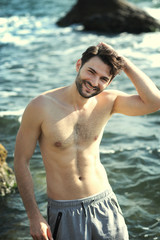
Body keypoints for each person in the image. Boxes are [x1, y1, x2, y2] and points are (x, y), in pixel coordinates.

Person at [14, 42, 160, 240]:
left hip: (105, 204)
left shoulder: (108, 102)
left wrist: (124, 63)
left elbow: (154, 102)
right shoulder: (41, 106)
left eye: (103, 79)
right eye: (90, 71)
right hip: (65, 212)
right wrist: (33, 216)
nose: (93, 82)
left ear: (109, 83)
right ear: (78, 65)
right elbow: (21, 161)